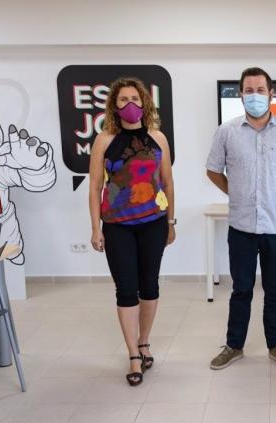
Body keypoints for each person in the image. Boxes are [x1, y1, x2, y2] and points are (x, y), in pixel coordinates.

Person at [205, 67, 276, 371]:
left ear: (271, 94)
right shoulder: (227, 132)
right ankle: (234, 345)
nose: (255, 96)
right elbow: (213, 170)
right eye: (249, 90)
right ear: (240, 95)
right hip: (241, 226)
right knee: (241, 289)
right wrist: (236, 193)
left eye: (260, 90)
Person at [88, 77, 176, 386]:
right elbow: (95, 186)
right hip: (116, 226)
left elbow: (167, 183)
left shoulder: (157, 138)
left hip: (153, 222)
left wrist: (171, 222)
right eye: (123, 100)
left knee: (149, 286)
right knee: (126, 289)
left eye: (135, 99)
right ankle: (133, 355)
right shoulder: (104, 140)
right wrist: (95, 228)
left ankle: (144, 341)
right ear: (114, 105)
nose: (130, 105)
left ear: (144, 103)